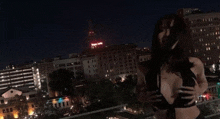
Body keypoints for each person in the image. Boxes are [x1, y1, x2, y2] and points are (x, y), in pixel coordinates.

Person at [136, 14, 208, 119]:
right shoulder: (144, 67)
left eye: (172, 30)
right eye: (162, 30)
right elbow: (139, 88)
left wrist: (199, 91)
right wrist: (141, 97)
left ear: (180, 34)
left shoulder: (194, 63)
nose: (167, 34)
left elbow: (203, 81)